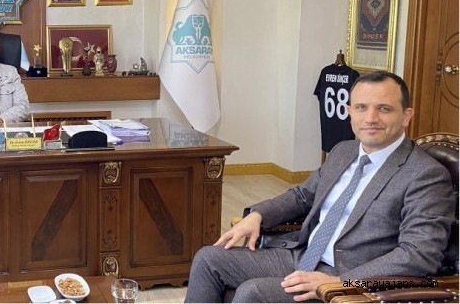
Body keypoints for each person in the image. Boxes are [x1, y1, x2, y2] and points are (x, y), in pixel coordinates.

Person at [185, 71, 454, 303]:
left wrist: (340, 282)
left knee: (254, 293)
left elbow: (418, 255)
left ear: (406, 116)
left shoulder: (425, 175)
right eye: (361, 107)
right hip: (304, 255)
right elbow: (302, 196)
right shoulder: (343, 151)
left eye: (384, 109)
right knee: (209, 259)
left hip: (348, 278)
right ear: (349, 112)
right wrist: (258, 215)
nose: (370, 118)